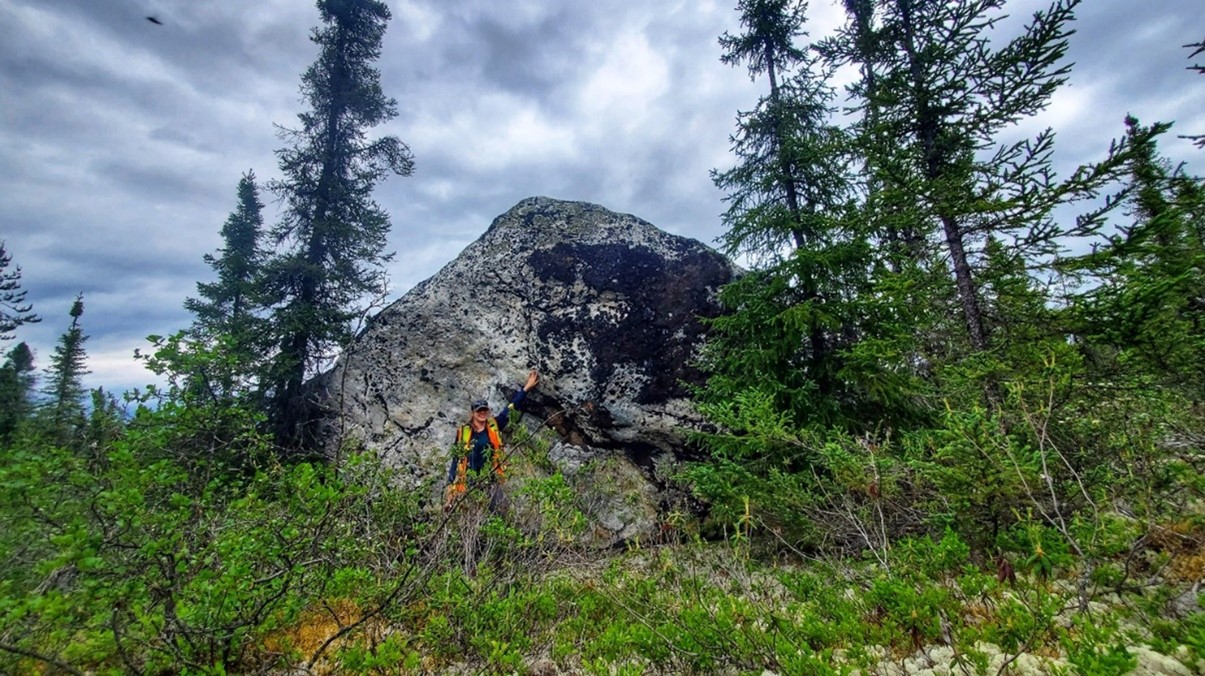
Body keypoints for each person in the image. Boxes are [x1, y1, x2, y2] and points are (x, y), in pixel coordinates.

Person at [444, 369, 540, 508]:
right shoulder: (463, 432)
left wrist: (526, 388)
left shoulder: (495, 425)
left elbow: (511, 408)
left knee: (503, 511)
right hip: (468, 484)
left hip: (490, 481)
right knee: (471, 518)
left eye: (485, 410)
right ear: (473, 413)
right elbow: (455, 461)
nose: (482, 413)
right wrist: (450, 487)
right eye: (479, 411)